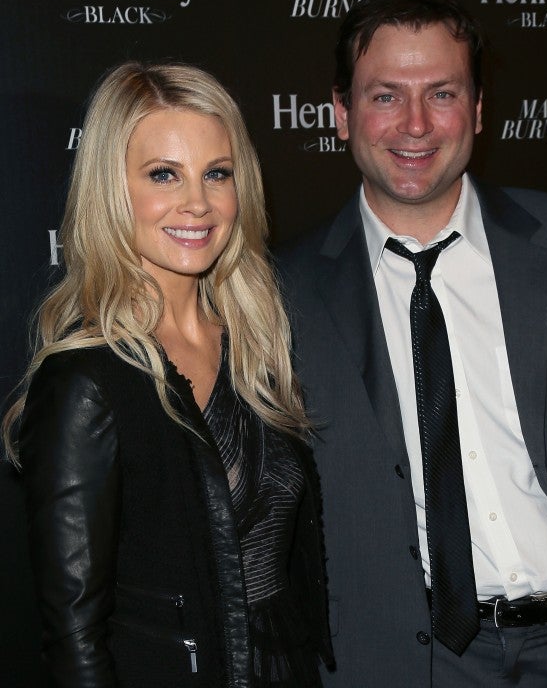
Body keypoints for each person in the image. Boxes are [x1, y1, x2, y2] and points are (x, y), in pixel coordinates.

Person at [3, 61, 333, 688]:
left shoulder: (256, 346)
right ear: (112, 191)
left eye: (217, 173)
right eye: (164, 174)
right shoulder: (85, 382)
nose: (198, 203)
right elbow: (75, 642)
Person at [277, 0, 547, 688]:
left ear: (478, 109)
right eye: (385, 96)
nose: (414, 125)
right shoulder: (279, 292)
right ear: (341, 112)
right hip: (416, 660)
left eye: (441, 94)